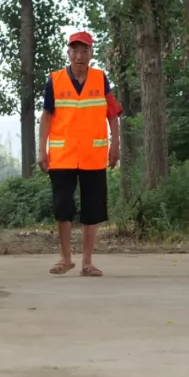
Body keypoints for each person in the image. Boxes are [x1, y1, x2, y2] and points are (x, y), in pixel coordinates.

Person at [38, 30, 122, 277]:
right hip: (62, 155)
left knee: (92, 209)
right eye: (75, 50)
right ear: (68, 53)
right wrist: (42, 149)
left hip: (93, 155)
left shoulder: (100, 79)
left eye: (84, 50)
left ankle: (87, 262)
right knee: (62, 206)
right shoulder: (54, 80)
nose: (79, 55)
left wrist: (115, 144)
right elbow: (46, 117)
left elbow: (113, 113)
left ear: (91, 54)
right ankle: (65, 259)